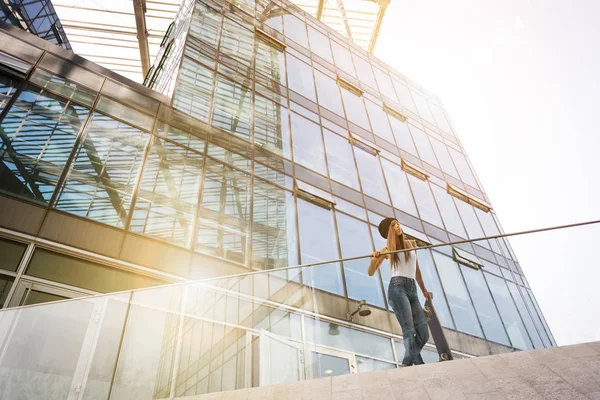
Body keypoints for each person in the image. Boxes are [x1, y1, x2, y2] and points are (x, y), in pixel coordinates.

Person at [368, 217, 433, 366]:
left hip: (413, 290)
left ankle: (407, 362)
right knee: (408, 329)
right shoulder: (387, 250)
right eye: (393, 225)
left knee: (423, 334)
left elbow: (416, 271)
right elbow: (371, 272)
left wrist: (424, 290)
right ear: (389, 230)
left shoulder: (411, 244)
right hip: (397, 288)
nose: (398, 226)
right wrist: (373, 258)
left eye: (398, 223)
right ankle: (415, 362)